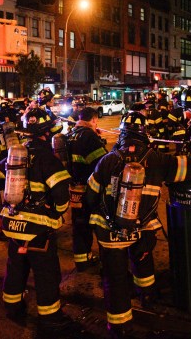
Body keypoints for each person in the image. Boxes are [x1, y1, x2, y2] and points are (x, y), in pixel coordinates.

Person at [84, 111, 191, 338]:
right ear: (145, 134)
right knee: (143, 261)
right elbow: (190, 170)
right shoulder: (157, 159)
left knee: (115, 279)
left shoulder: (107, 160)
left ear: (122, 133)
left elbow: (90, 196)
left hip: (110, 233)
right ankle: (147, 296)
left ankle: (120, 326)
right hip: (142, 229)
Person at [0, 107, 77, 335]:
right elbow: (61, 192)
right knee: (46, 273)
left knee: (16, 267)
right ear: (46, 133)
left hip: (13, 224)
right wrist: (57, 212)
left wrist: (11, 198)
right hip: (39, 230)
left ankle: (12, 305)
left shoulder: (15, 153)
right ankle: (50, 318)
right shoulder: (47, 158)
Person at [66, 106, 107, 271]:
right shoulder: (89, 136)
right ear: (94, 119)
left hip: (73, 189)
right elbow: (103, 163)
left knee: (79, 224)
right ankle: (106, 260)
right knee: (97, 224)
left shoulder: (70, 135)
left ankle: (81, 260)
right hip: (89, 188)